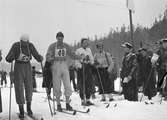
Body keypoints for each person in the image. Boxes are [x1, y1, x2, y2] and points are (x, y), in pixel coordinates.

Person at [6, 34, 43, 118]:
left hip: (27, 66)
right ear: (20, 41)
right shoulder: (16, 45)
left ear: (28, 41)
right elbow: (8, 58)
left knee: (29, 86)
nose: (24, 44)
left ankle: (28, 108)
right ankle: (21, 109)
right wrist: (11, 57)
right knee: (19, 87)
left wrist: (39, 58)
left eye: (25, 42)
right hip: (18, 67)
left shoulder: (30, 45)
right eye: (22, 42)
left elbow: (36, 54)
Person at [46, 32, 80, 111]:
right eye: (58, 37)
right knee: (57, 85)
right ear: (56, 38)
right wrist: (50, 59)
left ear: (63, 38)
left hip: (64, 65)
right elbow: (48, 55)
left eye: (61, 37)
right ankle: (58, 104)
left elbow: (72, 55)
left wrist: (79, 57)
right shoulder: (52, 46)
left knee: (67, 84)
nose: (60, 39)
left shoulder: (66, 46)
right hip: (56, 65)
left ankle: (67, 103)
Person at [75, 38, 94, 106]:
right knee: (82, 84)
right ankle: (83, 100)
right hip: (81, 68)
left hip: (88, 67)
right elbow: (76, 60)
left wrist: (92, 62)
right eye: (85, 42)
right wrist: (79, 66)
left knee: (88, 83)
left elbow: (91, 58)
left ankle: (88, 99)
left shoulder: (89, 50)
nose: (86, 44)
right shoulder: (78, 50)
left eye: (87, 42)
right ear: (82, 43)